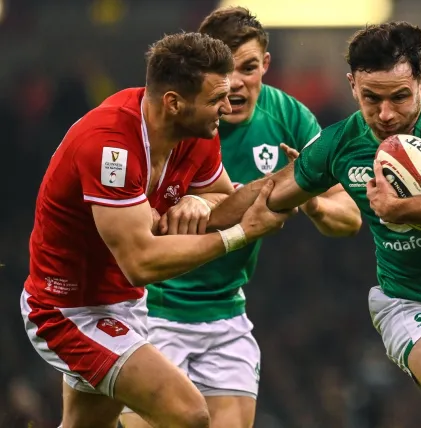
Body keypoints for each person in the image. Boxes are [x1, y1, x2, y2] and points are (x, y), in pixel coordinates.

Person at [207, 21, 421, 428]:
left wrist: (402, 209)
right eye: (371, 98)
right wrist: (196, 216)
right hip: (414, 304)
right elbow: (270, 190)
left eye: (399, 97)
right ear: (352, 86)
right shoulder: (340, 143)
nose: (385, 114)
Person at [21, 32, 292, 428]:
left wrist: (280, 183)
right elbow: (140, 263)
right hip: (69, 310)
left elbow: (223, 198)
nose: (227, 104)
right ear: (174, 103)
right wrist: (239, 236)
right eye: (216, 98)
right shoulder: (109, 146)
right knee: (188, 413)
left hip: (126, 304)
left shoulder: (195, 134)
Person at [119, 8, 361, 428]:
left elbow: (350, 217)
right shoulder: (174, 115)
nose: (235, 85)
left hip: (226, 312)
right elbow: (131, 219)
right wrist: (197, 199)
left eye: (248, 68)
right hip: (153, 310)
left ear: (266, 64)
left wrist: (314, 203)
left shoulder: (288, 118)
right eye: (224, 73)